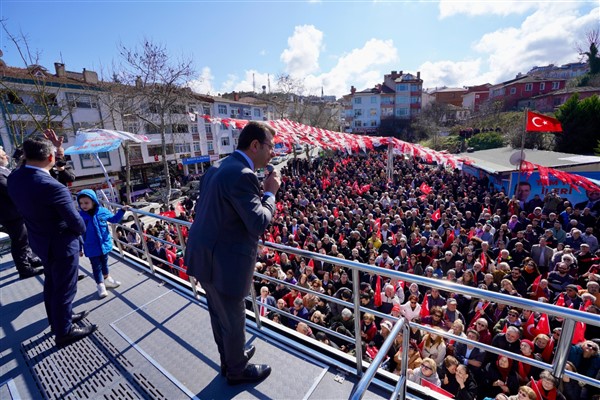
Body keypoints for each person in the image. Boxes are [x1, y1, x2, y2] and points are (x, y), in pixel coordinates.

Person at [184, 121, 280, 385]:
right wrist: (271, 193)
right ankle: (237, 371)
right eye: (271, 147)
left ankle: (230, 358)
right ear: (255, 145)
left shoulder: (219, 167)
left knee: (218, 315)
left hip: (204, 256)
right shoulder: (243, 174)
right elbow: (258, 222)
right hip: (224, 263)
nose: (274, 153)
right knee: (234, 320)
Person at [7, 137, 96, 347]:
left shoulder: (15, 178)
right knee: (65, 288)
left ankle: (58, 320)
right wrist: (81, 233)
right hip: (61, 245)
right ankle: (64, 331)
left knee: (52, 284)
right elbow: (77, 222)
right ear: (50, 157)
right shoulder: (52, 187)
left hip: (39, 241)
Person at [0, 146, 43, 279]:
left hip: (14, 212)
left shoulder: (3, 170)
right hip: (11, 214)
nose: (6, 157)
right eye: (3, 155)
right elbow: (11, 189)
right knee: (19, 241)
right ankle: (24, 269)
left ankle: (30, 259)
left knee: (24, 238)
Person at [76, 189, 126, 298]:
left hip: (104, 245)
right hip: (90, 247)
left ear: (93, 201)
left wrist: (122, 211)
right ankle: (100, 285)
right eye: (81, 203)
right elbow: (78, 233)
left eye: (86, 203)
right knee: (96, 266)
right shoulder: (80, 216)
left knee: (105, 263)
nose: (83, 205)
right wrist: (79, 249)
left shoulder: (102, 211)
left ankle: (107, 279)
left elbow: (114, 220)